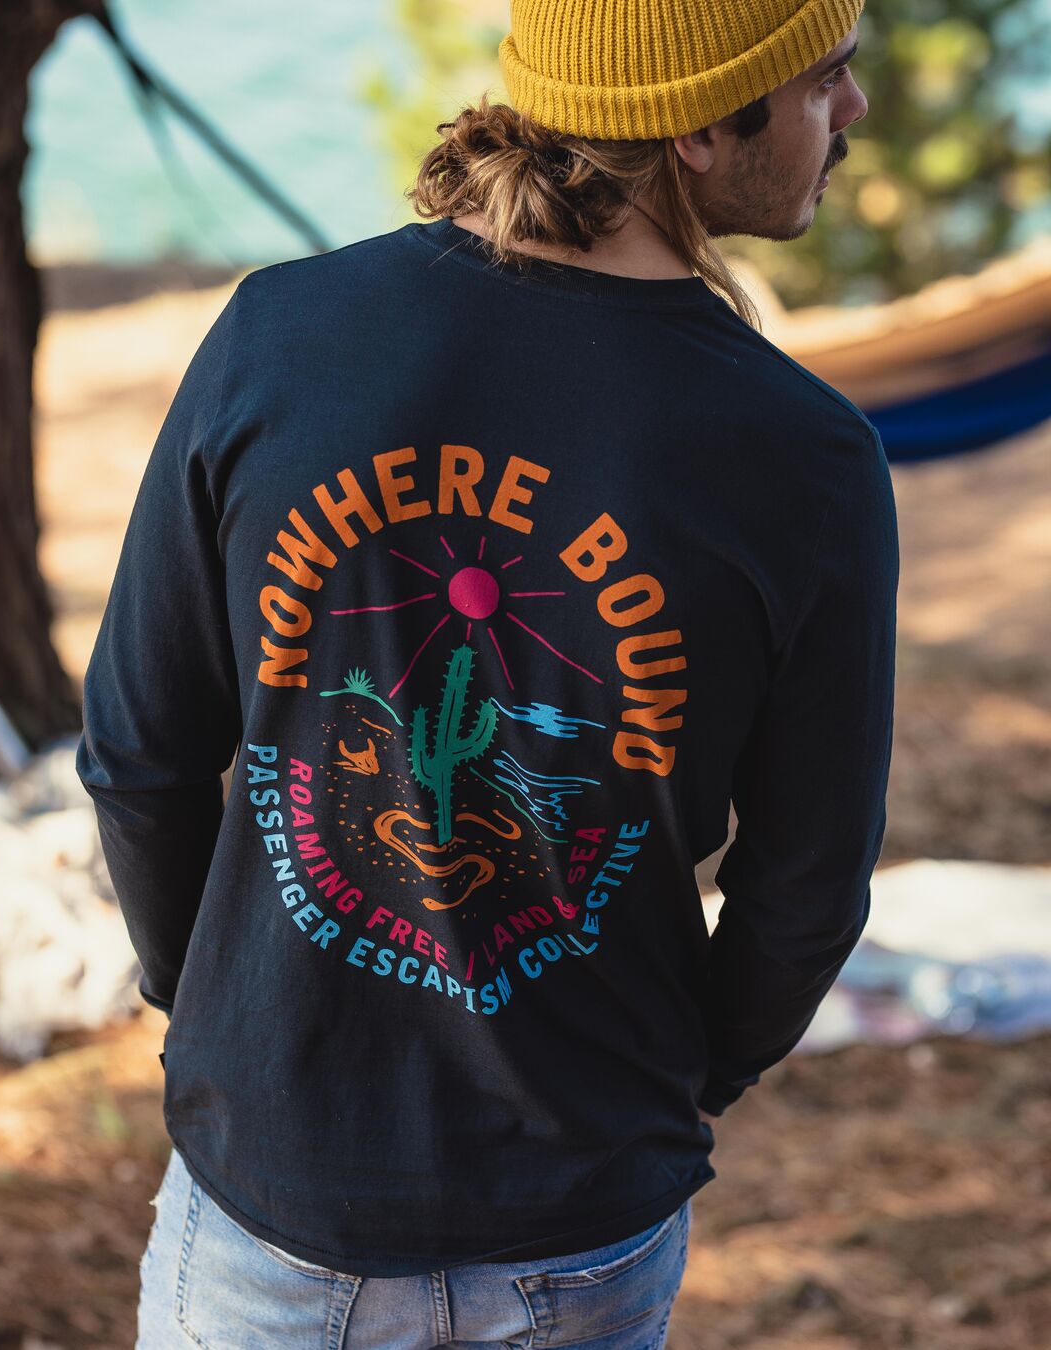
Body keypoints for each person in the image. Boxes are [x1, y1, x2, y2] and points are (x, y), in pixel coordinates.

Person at [75, 0, 895, 1345]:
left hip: (268, 1201)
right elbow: (806, 890)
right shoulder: (803, 455)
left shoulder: (280, 334)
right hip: (579, 1224)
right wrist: (681, 1084)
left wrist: (219, 1024)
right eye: (826, 79)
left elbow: (135, 752)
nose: (852, 112)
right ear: (698, 127)